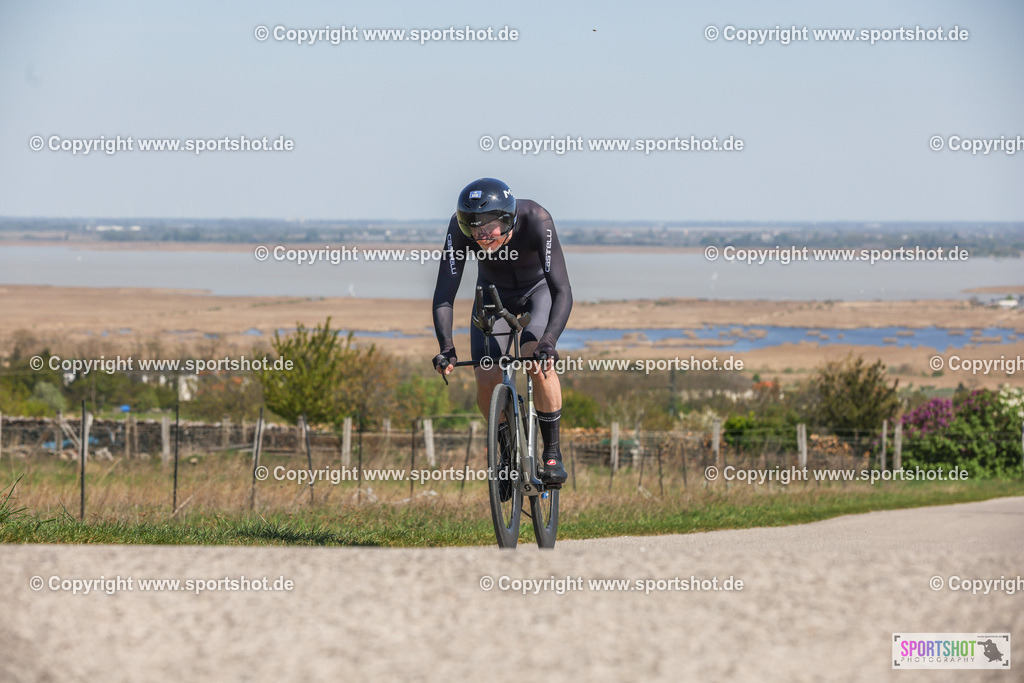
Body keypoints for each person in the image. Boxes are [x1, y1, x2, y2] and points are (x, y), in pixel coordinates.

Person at [431, 177, 572, 486]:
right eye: (474, 230)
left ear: (507, 218)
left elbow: (562, 291)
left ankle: (552, 453)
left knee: (536, 361)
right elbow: (444, 296)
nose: (482, 237)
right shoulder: (459, 228)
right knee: (486, 376)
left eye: (489, 228)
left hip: (538, 293)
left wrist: (549, 341)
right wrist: (446, 346)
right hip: (492, 296)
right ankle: (507, 453)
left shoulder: (537, 219)